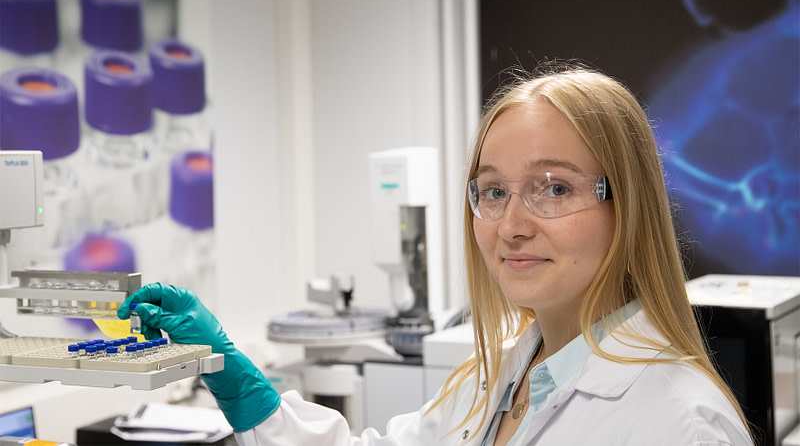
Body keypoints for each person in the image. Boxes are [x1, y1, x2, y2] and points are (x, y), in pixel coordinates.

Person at [118, 63, 754, 445]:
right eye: (493, 192)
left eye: (554, 188)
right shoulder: (500, 378)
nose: (512, 225)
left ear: (628, 204)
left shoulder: (681, 424)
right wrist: (247, 390)